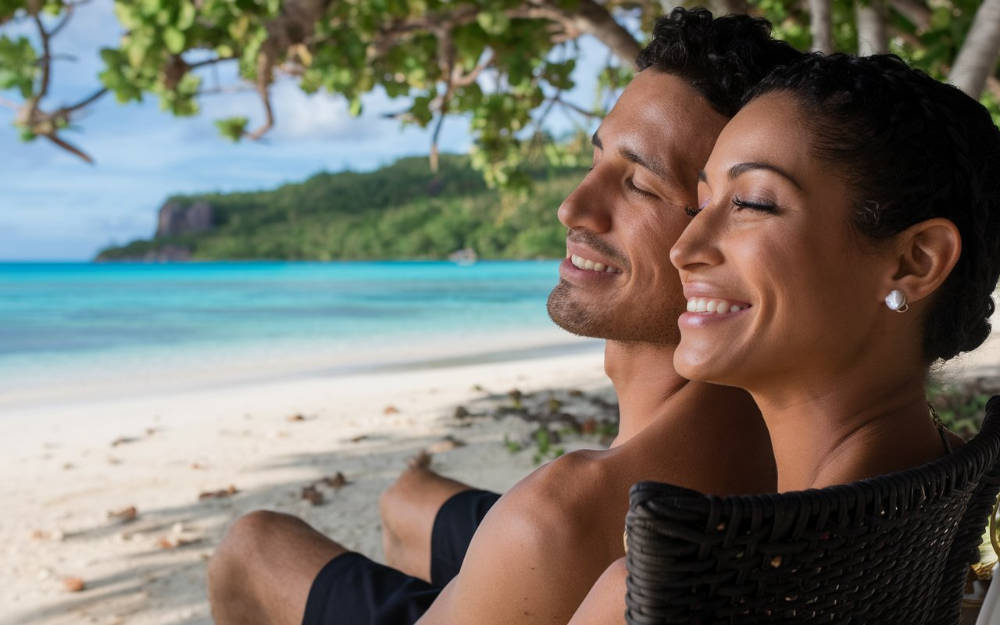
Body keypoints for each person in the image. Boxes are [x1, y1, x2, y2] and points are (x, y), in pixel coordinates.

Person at [205, 9, 802, 625]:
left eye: (640, 187)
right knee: (409, 501)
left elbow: (548, 531)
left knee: (252, 546)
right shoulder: (774, 410)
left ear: (723, 234)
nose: (574, 207)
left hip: (554, 553)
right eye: (595, 162)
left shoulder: (556, 516)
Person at [566, 51, 1000, 624]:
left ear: (915, 261)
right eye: (702, 203)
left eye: (752, 203)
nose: (685, 249)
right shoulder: (947, 491)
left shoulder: (685, 592)